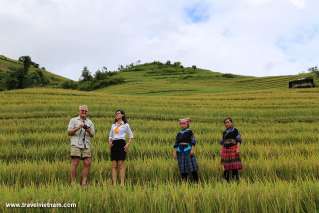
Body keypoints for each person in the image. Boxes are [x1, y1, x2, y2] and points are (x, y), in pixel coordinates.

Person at [67, 105, 95, 186]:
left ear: (87, 112)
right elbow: (69, 132)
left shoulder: (90, 122)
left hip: (86, 144)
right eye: (82, 110)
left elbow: (92, 134)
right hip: (75, 144)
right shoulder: (73, 120)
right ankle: (73, 182)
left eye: (85, 111)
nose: (84, 112)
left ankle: (83, 183)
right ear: (79, 111)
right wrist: (78, 127)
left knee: (87, 162)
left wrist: (88, 130)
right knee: (75, 162)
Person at [108, 109, 133, 186]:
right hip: (114, 144)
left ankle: (122, 184)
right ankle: (114, 184)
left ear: (122, 115)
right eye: (116, 113)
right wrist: (110, 142)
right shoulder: (113, 125)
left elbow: (131, 136)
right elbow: (110, 136)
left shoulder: (125, 125)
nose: (117, 114)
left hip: (122, 143)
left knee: (121, 164)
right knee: (114, 165)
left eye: (118, 113)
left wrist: (127, 144)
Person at [173, 118, 199, 182]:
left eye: (184, 123)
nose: (182, 125)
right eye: (181, 124)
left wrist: (192, 149)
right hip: (180, 151)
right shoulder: (179, 133)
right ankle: (184, 183)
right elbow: (176, 143)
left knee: (192, 167)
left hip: (188, 150)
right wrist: (174, 152)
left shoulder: (190, 131)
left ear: (187, 124)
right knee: (182, 168)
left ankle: (196, 182)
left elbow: (193, 141)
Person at [220, 117, 242, 182]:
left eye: (228, 122)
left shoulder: (235, 130)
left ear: (231, 123)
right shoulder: (224, 132)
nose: (226, 124)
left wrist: (238, 148)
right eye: (225, 123)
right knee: (226, 165)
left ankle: (236, 179)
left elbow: (238, 140)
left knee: (234, 165)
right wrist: (221, 150)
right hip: (225, 149)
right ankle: (226, 179)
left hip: (233, 148)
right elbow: (223, 142)